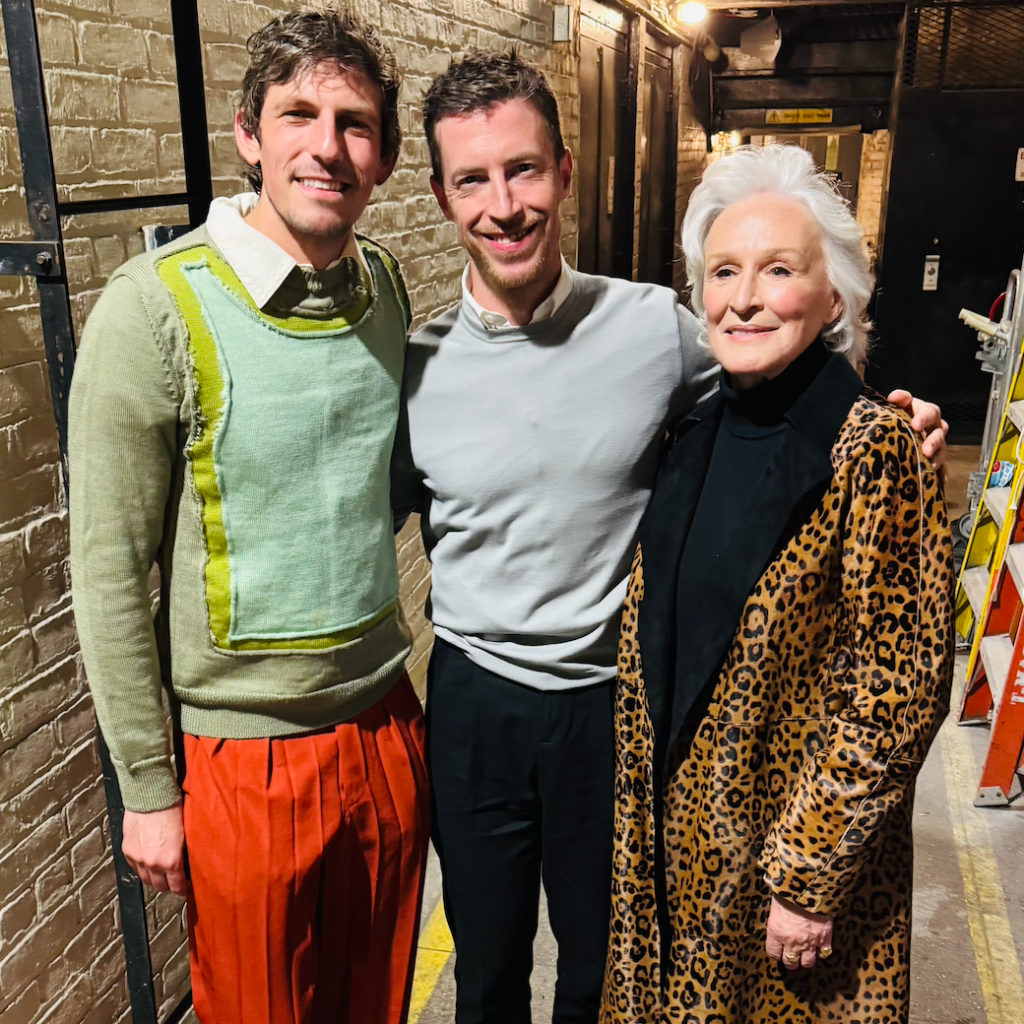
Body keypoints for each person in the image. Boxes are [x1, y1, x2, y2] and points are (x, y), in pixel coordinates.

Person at [393, 51, 948, 1024]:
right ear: (440, 195)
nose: (502, 203)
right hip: (478, 701)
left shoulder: (658, 330)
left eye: (522, 168)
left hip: (609, 707)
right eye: (472, 179)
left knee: (601, 972)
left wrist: (894, 417)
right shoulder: (417, 363)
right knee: (484, 967)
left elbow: (892, 681)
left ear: (563, 171)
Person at [68, 8, 428, 1024]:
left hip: (385, 723)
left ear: (388, 155)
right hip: (240, 760)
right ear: (248, 134)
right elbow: (105, 570)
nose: (327, 145)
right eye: (299, 114)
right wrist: (147, 786)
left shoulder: (386, 288)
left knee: (378, 1007)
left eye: (355, 122)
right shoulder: (153, 310)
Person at [599, 144, 954, 1024]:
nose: (744, 296)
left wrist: (808, 875)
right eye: (723, 271)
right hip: (672, 879)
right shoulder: (696, 431)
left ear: (834, 297)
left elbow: (895, 692)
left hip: (783, 891)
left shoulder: (873, 451)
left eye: (777, 269)